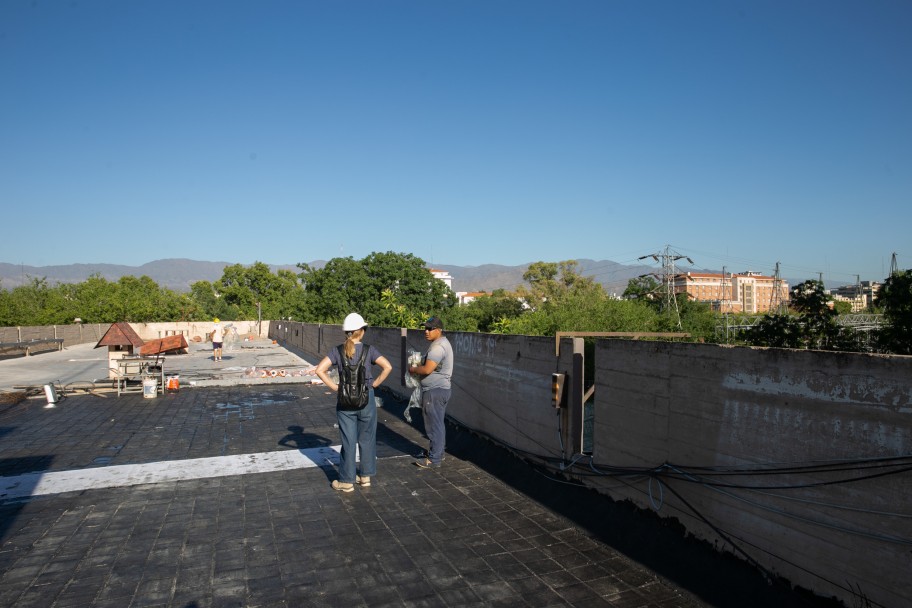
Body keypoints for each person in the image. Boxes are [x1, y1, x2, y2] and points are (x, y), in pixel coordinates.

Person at [315, 313, 392, 492]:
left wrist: (336, 387)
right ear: (362, 331)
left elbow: (320, 370)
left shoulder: (337, 350)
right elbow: (388, 367)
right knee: (367, 438)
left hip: (345, 400)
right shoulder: (369, 350)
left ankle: (346, 481)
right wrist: (374, 384)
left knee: (349, 441)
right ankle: (365, 477)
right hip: (367, 398)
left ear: (347, 332)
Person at [408, 316, 454, 469]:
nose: (426, 331)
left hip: (435, 391)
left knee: (434, 425)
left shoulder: (438, 347)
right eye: (425, 328)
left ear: (438, 330)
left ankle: (434, 459)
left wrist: (413, 369)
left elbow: (427, 369)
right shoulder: (439, 344)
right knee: (437, 423)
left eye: (430, 328)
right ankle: (438, 453)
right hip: (439, 390)